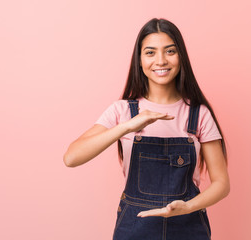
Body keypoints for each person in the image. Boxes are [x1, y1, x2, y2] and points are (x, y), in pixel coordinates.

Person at [63, 18, 230, 240]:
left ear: (181, 57)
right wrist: (128, 126)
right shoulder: (121, 111)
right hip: (136, 226)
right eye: (150, 53)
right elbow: (71, 158)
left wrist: (188, 207)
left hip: (188, 225)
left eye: (170, 51)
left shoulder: (199, 114)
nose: (161, 60)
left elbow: (222, 183)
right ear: (139, 60)